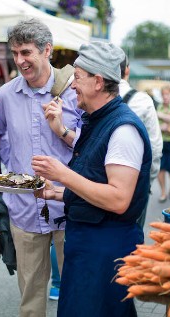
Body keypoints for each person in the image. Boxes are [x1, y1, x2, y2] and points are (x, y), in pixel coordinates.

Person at [31, 42, 152, 317]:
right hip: (90, 245)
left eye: (77, 77)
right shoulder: (97, 119)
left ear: (98, 82)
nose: (72, 85)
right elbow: (96, 180)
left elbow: (119, 199)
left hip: (106, 250)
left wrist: (63, 174)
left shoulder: (123, 128)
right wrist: (59, 193)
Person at [0, 18, 81, 317]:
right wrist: (12, 170)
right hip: (24, 208)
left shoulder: (73, 93)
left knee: (76, 291)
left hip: (69, 206)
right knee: (30, 297)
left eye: (26, 52)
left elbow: (91, 147)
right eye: (15, 53)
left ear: (47, 51)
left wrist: (62, 131)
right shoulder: (5, 95)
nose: (20, 60)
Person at [119, 55, 162, 227]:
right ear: (127, 70)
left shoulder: (93, 98)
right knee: (133, 237)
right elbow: (155, 146)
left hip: (100, 181)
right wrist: (149, 180)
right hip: (136, 179)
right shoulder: (143, 100)